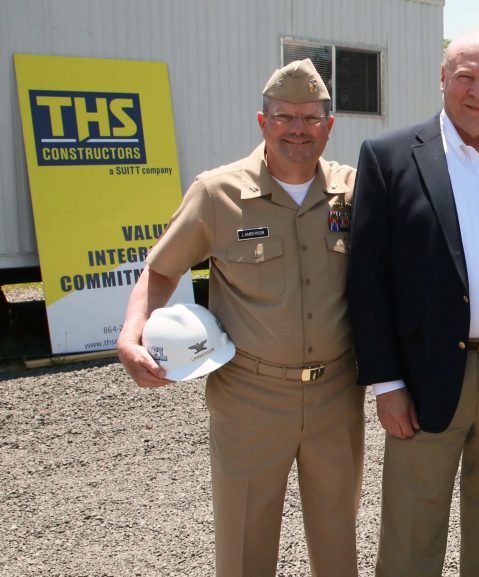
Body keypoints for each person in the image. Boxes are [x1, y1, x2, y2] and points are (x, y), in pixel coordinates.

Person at [117, 59, 364, 577]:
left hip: (336, 393)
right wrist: (131, 332)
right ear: (262, 122)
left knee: (338, 539)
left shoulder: (354, 191)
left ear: (329, 125)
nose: (297, 129)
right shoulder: (216, 193)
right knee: (245, 544)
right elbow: (160, 269)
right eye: (284, 117)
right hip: (250, 398)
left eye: (310, 118)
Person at [347, 31, 479, 577]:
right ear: (442, 79)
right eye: (465, 76)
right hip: (424, 372)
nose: (478, 91)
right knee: (413, 526)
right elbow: (367, 281)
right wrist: (387, 384)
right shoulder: (389, 157)